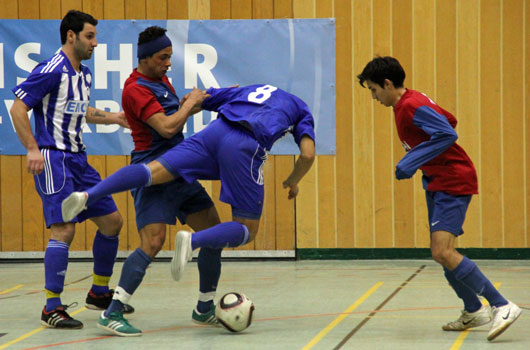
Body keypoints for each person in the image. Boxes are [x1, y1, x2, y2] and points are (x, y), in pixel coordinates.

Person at [61, 83, 316, 335]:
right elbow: (307, 155)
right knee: (246, 228)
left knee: (153, 172)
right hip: (244, 147)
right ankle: (192, 242)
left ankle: (88, 194)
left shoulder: (252, 89)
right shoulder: (301, 110)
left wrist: (185, 108)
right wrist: (293, 181)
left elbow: (195, 99)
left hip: (213, 133)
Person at [356, 56, 521, 342]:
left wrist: (413, 159)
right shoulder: (406, 103)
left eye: (373, 90)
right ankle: (473, 310)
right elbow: (449, 118)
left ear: (387, 83)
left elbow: (448, 131)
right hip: (437, 180)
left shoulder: (410, 105)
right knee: (442, 254)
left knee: (443, 252)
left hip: (453, 180)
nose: (373, 97)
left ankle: (501, 305)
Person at [77, 25, 222, 337]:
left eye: (170, 56)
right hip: (153, 172)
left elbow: (174, 115)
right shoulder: (136, 89)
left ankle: (205, 307)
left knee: (214, 233)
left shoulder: (159, 79)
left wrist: (208, 100)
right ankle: (112, 312)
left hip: (180, 169)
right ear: (144, 59)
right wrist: (188, 104)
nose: (168, 62)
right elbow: (167, 128)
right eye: (162, 57)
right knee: (153, 242)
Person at [9, 10, 133, 329]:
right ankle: (51, 307)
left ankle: (99, 292)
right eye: (89, 36)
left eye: (95, 36)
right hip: (54, 159)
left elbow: (82, 111)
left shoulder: (84, 74)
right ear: (71, 36)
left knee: (112, 222)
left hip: (79, 159)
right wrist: (33, 149)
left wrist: (115, 118)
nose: (95, 42)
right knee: (64, 228)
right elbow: (18, 107)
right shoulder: (51, 70)